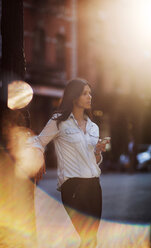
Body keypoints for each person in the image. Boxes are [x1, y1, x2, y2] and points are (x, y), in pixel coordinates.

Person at [32, 78, 109, 248]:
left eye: (90, 93)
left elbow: (94, 160)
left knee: (91, 238)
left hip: (94, 186)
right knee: (87, 236)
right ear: (74, 97)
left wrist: (97, 151)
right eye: (84, 93)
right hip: (72, 186)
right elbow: (38, 141)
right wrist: (38, 155)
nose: (90, 97)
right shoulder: (59, 121)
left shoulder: (93, 127)